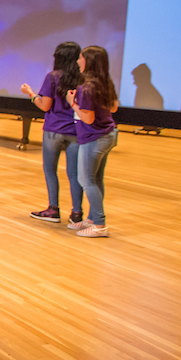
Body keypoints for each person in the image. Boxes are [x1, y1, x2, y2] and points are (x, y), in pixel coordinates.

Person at [21, 41, 84, 224]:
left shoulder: (53, 77)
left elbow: (45, 105)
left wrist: (31, 93)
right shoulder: (82, 79)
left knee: (50, 170)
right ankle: (77, 213)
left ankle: (53, 209)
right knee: (74, 174)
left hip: (54, 129)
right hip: (75, 130)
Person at [67, 45, 119, 238]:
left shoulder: (86, 87)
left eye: (81, 58)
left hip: (93, 137)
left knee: (86, 180)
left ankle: (99, 224)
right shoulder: (106, 83)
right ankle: (92, 218)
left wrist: (72, 102)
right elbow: (113, 108)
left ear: (88, 61)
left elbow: (87, 118)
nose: (78, 61)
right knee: (96, 179)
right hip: (108, 134)